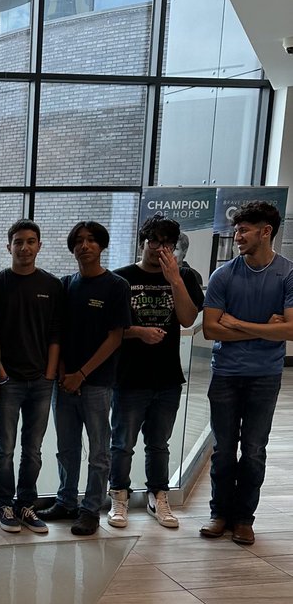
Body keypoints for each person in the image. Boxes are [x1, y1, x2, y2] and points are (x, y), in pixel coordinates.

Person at [200, 201, 293, 545]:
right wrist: (268, 327)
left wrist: (237, 323)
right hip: (225, 373)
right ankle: (219, 514)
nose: (237, 236)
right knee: (224, 449)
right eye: (237, 230)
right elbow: (211, 329)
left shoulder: (288, 273)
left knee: (253, 450)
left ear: (265, 231)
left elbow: (292, 330)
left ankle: (243, 519)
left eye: (243, 230)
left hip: (265, 376)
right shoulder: (223, 275)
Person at [108, 215, 203, 530]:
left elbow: (188, 319)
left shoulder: (184, 277)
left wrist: (174, 278)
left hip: (167, 378)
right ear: (142, 242)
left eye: (166, 243)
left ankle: (158, 496)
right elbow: (110, 331)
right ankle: (119, 496)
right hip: (128, 377)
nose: (158, 249)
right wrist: (138, 332)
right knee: (122, 443)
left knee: (159, 443)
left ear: (174, 248)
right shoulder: (120, 278)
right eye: (153, 241)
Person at [39, 221, 132, 536]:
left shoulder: (116, 286)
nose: (84, 245)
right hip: (64, 382)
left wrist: (82, 374)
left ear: (101, 246)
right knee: (66, 447)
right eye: (79, 241)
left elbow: (115, 337)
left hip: (97, 382)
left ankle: (91, 509)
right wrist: (65, 371)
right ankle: (66, 501)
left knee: (98, 450)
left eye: (91, 240)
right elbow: (59, 334)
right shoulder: (66, 285)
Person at [0, 219, 62, 536]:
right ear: (9, 247)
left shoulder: (52, 286)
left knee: (33, 449)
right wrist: (0, 372)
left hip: (41, 381)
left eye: (30, 241)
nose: (24, 247)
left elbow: (57, 334)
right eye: (18, 242)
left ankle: (26, 504)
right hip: (7, 381)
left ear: (39, 246)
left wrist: (50, 373)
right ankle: (4, 504)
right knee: (4, 447)